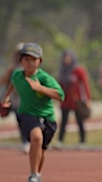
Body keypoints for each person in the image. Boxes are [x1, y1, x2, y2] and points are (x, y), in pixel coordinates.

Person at [1, 43, 65, 182]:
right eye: (26, 59)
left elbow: (60, 95)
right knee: (36, 138)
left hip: (47, 116)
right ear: (21, 61)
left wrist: (41, 89)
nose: (29, 63)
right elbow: (12, 84)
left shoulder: (44, 78)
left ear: (39, 61)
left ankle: (37, 174)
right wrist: (5, 99)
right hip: (27, 114)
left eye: (33, 60)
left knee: (41, 149)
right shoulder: (17, 75)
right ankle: (33, 174)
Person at [55, 50, 91, 149]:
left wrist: (87, 99)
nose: (66, 60)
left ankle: (82, 141)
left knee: (80, 121)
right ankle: (60, 141)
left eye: (68, 57)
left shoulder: (78, 70)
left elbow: (84, 85)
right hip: (66, 100)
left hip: (77, 100)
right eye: (65, 57)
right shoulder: (62, 71)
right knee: (64, 121)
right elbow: (59, 86)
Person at [0, 42, 30, 154]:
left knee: (28, 120)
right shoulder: (13, 69)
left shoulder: (30, 68)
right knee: (20, 120)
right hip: (16, 99)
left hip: (27, 98)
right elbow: (4, 81)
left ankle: (31, 141)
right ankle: (26, 142)